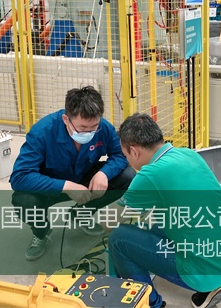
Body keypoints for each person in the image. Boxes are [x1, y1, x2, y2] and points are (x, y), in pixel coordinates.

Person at [107, 113, 221, 308]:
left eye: (125, 156)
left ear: (134, 151)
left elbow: (107, 221)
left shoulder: (149, 174)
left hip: (203, 272)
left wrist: (89, 212)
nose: (127, 160)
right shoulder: (189, 154)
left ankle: (151, 303)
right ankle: (206, 290)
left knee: (118, 239)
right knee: (150, 224)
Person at [10, 86, 135, 261]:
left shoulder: (104, 128)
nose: (89, 133)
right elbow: (19, 176)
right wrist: (65, 186)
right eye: (82, 128)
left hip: (83, 178)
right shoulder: (42, 132)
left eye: (94, 127)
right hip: (50, 186)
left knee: (128, 176)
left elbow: (119, 155)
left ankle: (81, 213)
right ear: (66, 119)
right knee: (23, 200)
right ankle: (41, 232)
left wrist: (104, 174)